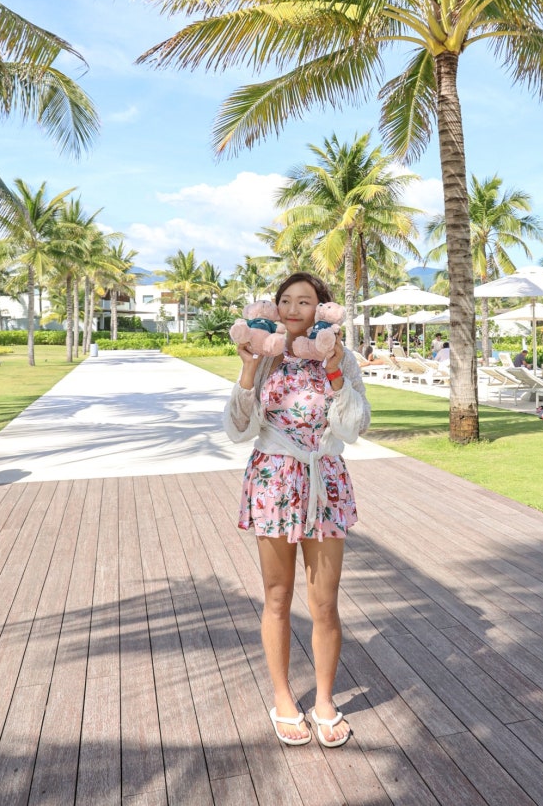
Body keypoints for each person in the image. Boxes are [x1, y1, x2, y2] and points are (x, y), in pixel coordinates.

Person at [224, 272, 370, 749]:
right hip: (273, 481)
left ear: (322, 309)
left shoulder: (342, 357)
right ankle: (283, 698)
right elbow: (238, 429)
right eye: (285, 300)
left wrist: (334, 369)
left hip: (323, 481)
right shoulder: (264, 355)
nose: (292, 309)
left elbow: (354, 426)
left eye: (304, 301)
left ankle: (324, 700)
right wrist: (248, 370)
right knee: (277, 597)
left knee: (325, 602)